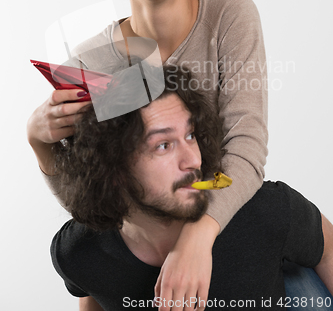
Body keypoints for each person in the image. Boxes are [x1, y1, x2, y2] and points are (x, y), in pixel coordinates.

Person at [26, 0, 320, 308]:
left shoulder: (229, 16)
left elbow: (247, 143)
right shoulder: (91, 62)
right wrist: (37, 139)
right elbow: (93, 188)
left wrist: (198, 239)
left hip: (238, 234)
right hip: (149, 254)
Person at [51, 67, 333, 311]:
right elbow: (89, 288)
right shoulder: (77, 250)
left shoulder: (265, 210)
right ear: (112, 169)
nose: (194, 160)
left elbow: (328, 249)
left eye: (190, 135)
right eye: (164, 145)